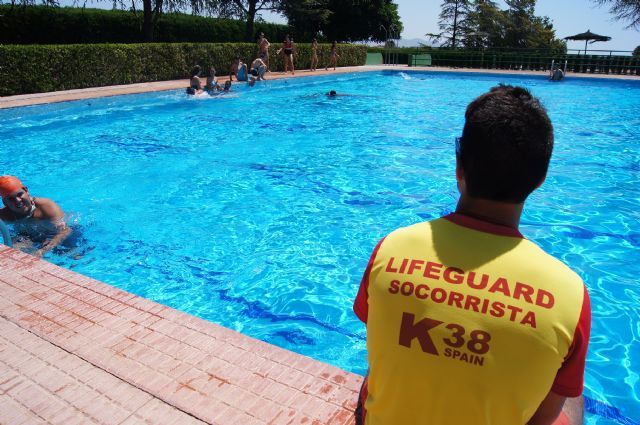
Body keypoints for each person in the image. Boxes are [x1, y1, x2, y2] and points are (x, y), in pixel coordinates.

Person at [353, 85, 591, 425]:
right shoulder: (569, 294)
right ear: (540, 179)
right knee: (573, 397)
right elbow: (544, 416)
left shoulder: (391, 248)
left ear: (459, 166)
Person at [0, 176, 71, 258]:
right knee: (15, 251)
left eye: (19, 194)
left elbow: (66, 231)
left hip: (57, 237)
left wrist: (43, 251)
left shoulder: (46, 206)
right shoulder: (4, 215)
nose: (18, 200)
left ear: (26, 190)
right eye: (11, 199)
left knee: (73, 255)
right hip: (28, 238)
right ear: (5, 202)